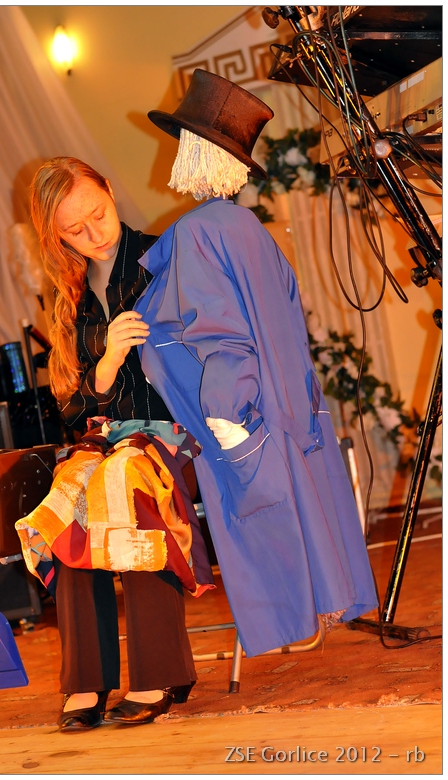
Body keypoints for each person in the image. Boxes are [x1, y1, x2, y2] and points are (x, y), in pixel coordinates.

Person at [134, 69, 379, 659]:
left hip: (242, 415)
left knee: (265, 534)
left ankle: (289, 624)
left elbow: (222, 334)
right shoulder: (251, 230)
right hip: (284, 412)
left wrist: (227, 415)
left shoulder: (198, 234)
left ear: (196, 152)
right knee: (300, 522)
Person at [26, 156, 214, 732]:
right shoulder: (67, 297)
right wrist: (106, 363)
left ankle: (162, 670)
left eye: (98, 214)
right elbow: (71, 409)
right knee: (69, 502)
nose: (94, 233)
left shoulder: (166, 260)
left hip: (178, 438)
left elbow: (211, 356)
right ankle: (87, 681)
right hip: (109, 443)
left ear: (109, 190)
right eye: (75, 230)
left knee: (125, 486)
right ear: (56, 237)